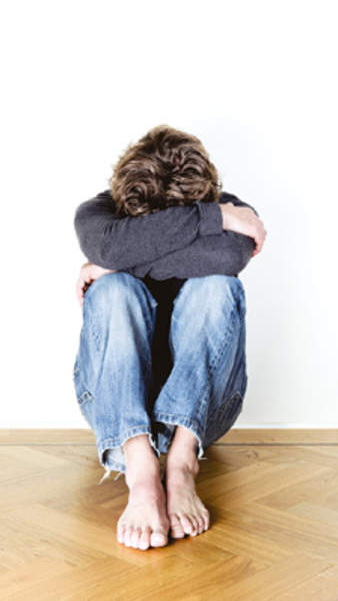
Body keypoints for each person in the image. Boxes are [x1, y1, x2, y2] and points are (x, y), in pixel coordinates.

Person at [72, 124, 267, 550]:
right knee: (113, 289)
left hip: (205, 410)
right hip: (112, 401)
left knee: (218, 284)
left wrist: (120, 258)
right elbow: (109, 248)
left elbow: (229, 255)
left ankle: (181, 464)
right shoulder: (98, 213)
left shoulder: (234, 207)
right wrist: (211, 220)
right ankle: (141, 471)